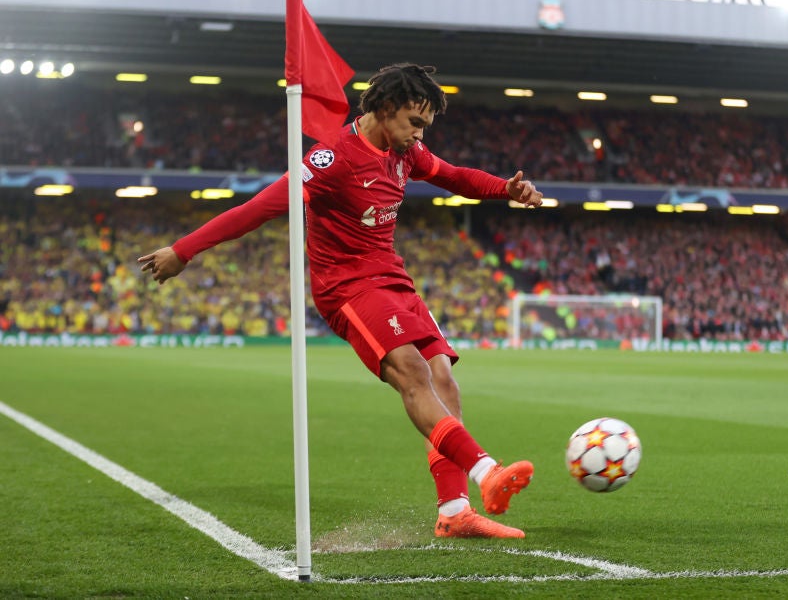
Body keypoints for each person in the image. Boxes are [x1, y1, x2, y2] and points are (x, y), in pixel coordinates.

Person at [138, 63, 543, 539]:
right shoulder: (333, 160)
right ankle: (486, 471)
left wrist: (505, 189)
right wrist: (183, 251)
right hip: (348, 287)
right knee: (413, 372)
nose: (419, 135)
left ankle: (455, 513)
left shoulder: (404, 151)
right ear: (385, 108)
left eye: (425, 127)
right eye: (415, 123)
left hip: (394, 279)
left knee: (443, 379)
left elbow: (452, 175)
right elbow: (259, 208)